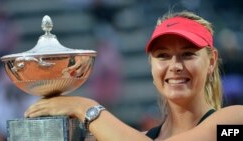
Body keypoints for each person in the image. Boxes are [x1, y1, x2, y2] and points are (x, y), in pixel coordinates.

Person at [24, 11, 243, 141]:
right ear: (151, 65)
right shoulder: (139, 137)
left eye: (187, 54)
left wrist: (84, 108)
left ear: (212, 61)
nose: (175, 66)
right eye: (163, 56)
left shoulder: (234, 124)